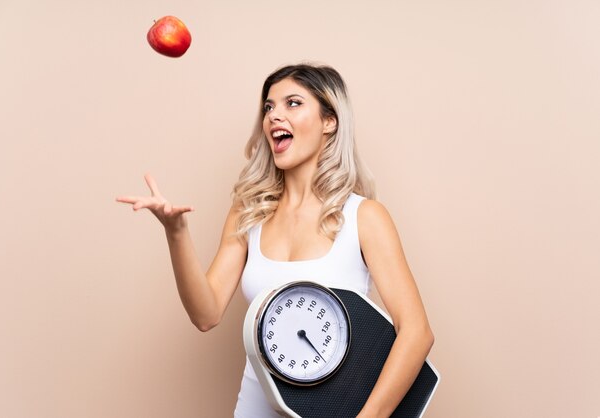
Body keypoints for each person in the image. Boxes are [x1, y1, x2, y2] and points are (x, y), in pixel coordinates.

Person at [117, 63, 434, 417]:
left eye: (293, 103)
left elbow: (417, 332)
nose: (274, 117)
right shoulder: (249, 213)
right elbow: (205, 314)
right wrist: (175, 234)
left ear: (330, 121)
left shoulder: (365, 217)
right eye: (269, 107)